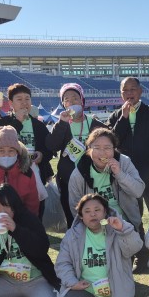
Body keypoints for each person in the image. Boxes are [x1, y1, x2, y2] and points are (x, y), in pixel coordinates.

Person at [55, 193, 144, 297]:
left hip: (116, 292)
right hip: (89, 291)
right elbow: (62, 264)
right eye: (87, 211)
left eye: (97, 210)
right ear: (81, 216)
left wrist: (122, 229)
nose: (93, 214)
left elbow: (135, 247)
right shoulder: (72, 235)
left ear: (105, 212)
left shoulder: (117, 229)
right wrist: (73, 282)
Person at [107, 77, 149, 270]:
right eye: (125, 90)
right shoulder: (116, 116)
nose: (129, 93)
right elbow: (112, 142)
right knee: (134, 219)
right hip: (127, 178)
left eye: (133, 89)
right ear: (121, 94)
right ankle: (140, 258)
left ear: (141, 91)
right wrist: (123, 118)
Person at [69, 128, 146, 272]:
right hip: (96, 224)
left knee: (124, 263)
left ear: (114, 149)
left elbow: (138, 190)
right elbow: (75, 206)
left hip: (125, 221)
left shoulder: (123, 162)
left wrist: (120, 174)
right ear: (89, 149)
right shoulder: (79, 173)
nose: (102, 153)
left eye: (107, 148)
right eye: (97, 148)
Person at [45, 83, 106, 225]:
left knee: (97, 218)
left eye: (75, 98)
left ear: (82, 101)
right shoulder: (62, 125)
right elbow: (51, 146)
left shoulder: (95, 124)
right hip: (68, 181)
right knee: (73, 219)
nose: (71, 102)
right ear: (63, 104)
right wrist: (61, 123)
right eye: (66, 100)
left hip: (95, 180)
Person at [0, 83, 55, 212]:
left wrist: (42, 155)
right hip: (9, 179)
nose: (24, 102)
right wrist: (17, 122)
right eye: (19, 99)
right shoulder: (3, 122)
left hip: (36, 179)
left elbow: (49, 149)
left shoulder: (39, 125)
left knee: (36, 214)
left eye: (27, 99)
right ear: (11, 103)